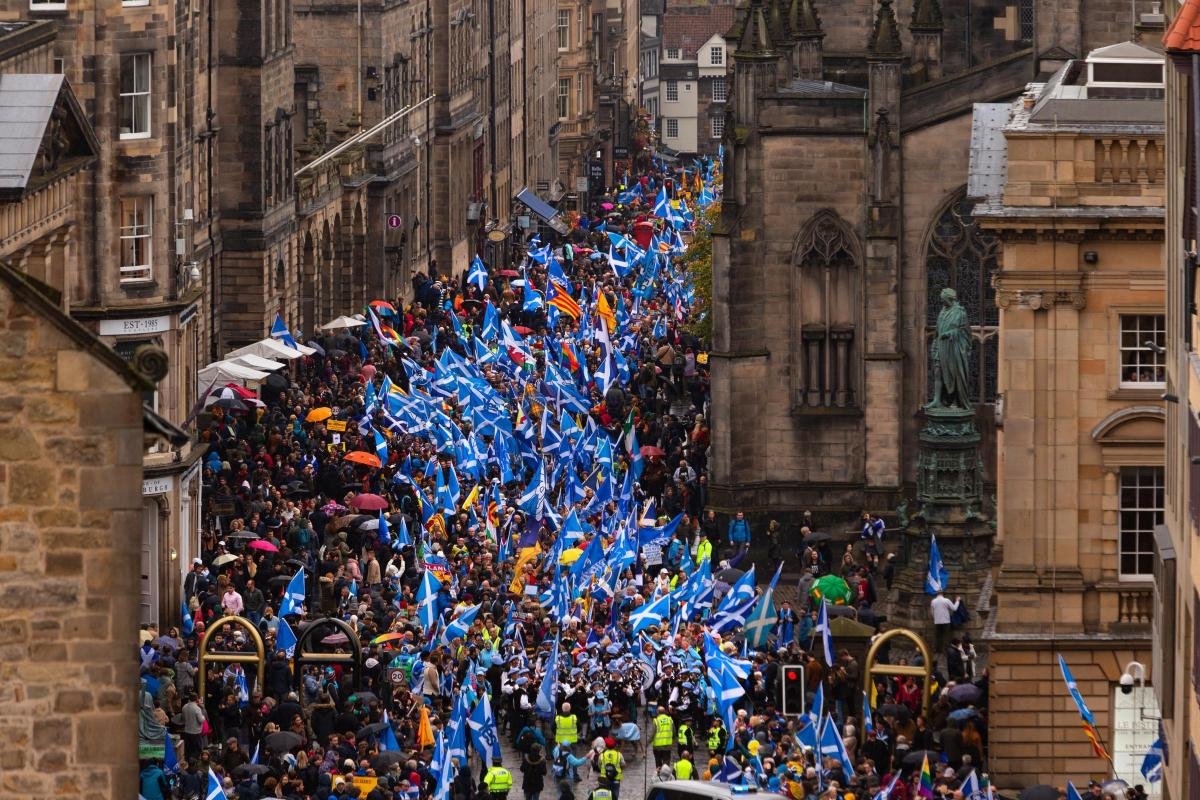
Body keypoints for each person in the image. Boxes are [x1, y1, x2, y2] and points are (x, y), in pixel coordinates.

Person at [929, 591, 962, 658]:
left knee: (937, 636)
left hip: (937, 621)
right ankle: (945, 651)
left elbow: (932, 612)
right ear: (943, 594)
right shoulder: (946, 600)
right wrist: (957, 601)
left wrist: (935, 618)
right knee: (946, 636)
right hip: (946, 621)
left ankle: (936, 650)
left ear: (937, 594)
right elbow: (954, 608)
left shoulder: (933, 601)